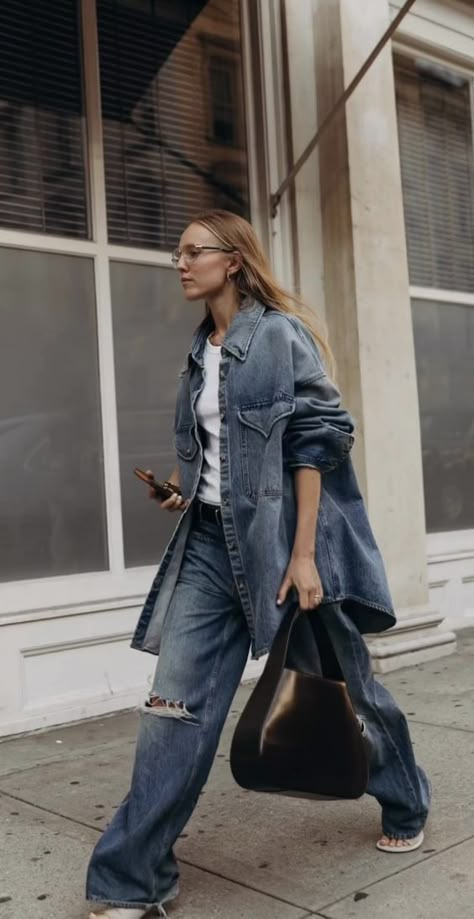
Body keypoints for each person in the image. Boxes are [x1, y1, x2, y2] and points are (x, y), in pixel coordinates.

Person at [86, 209, 431, 918]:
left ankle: (405, 798)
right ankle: (132, 879)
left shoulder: (277, 336)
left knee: (351, 686)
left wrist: (305, 555)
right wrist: (184, 494)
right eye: (176, 251)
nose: (179, 262)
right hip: (212, 545)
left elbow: (318, 440)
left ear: (232, 261)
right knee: (171, 709)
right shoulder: (200, 349)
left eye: (192, 251)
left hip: (292, 543)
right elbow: (225, 458)